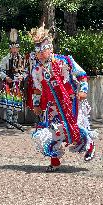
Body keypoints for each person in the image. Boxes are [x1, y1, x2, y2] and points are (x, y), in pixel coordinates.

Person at [29, 24, 97, 172]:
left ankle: (89, 144)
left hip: (71, 102)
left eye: (42, 50)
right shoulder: (36, 70)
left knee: (73, 129)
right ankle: (55, 161)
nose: (40, 54)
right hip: (52, 106)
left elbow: (82, 75)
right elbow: (37, 89)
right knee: (52, 132)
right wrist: (36, 104)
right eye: (37, 51)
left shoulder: (64, 61)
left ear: (50, 48)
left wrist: (83, 90)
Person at [0, 29, 25, 129]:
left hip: (17, 84)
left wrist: (23, 76)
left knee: (16, 104)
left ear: (18, 49)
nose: (14, 50)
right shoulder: (5, 59)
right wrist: (6, 77)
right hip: (8, 84)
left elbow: (26, 71)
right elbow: (0, 71)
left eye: (16, 48)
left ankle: (15, 121)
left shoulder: (22, 59)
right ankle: (9, 121)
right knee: (9, 104)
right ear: (10, 49)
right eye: (13, 48)